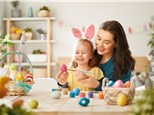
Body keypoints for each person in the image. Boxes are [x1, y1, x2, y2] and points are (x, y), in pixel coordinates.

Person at [56, 20, 135, 91]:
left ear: (116, 44)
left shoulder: (124, 65)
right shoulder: (86, 56)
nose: (100, 45)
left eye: (106, 42)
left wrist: (97, 85)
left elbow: (123, 91)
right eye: (99, 39)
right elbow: (71, 83)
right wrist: (62, 83)